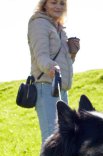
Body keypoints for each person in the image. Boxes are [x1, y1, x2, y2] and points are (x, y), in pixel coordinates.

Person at [28, 0, 80, 144]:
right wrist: (52, 67)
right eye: (54, 2)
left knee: (63, 137)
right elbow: (41, 56)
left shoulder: (60, 28)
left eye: (62, 3)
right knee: (51, 138)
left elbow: (65, 63)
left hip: (60, 87)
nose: (58, 6)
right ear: (44, 4)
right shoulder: (39, 24)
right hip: (46, 87)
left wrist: (73, 53)